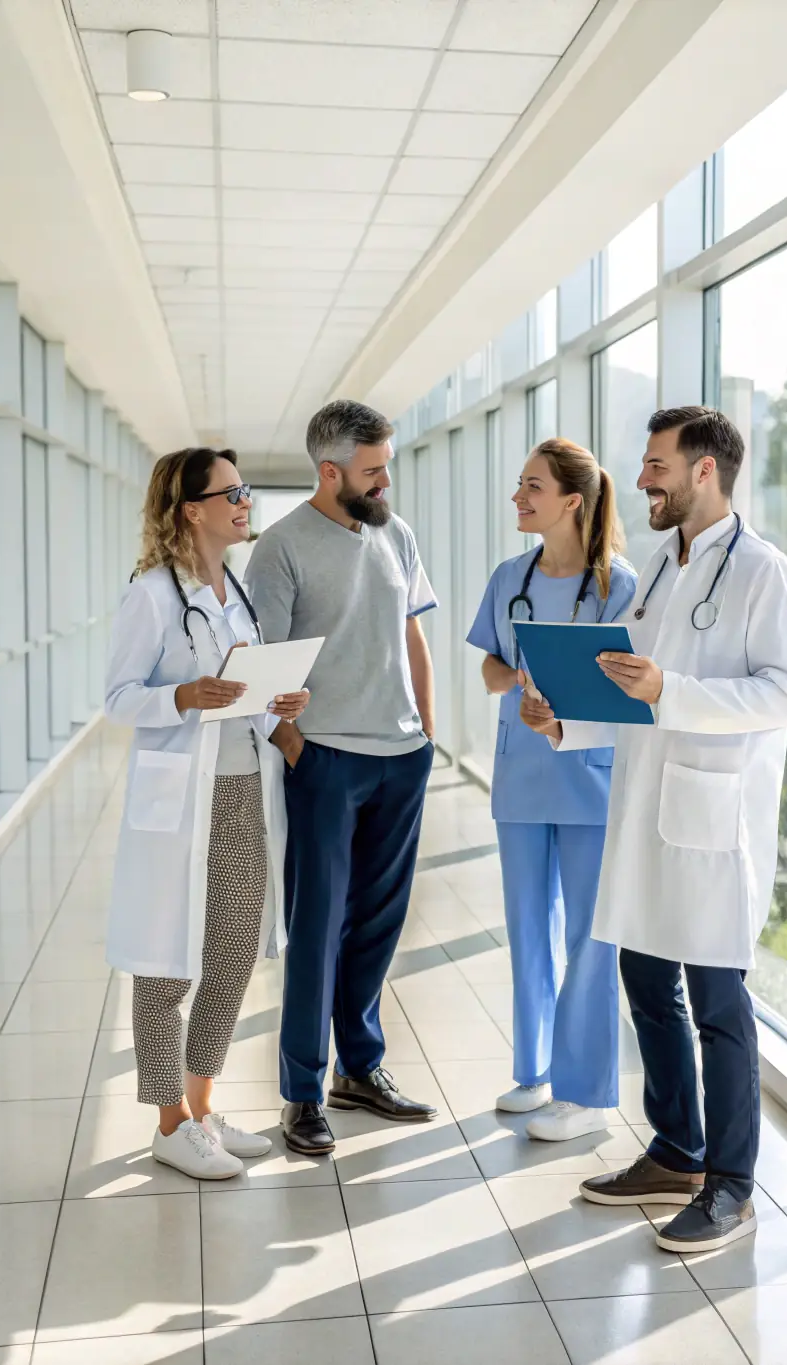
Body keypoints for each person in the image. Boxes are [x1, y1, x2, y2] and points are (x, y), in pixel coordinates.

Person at [521, 407, 787, 1252]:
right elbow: (628, 692)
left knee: (719, 1003)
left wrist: (669, 691)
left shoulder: (763, 571)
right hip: (646, 811)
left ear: (705, 469)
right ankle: (677, 1149)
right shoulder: (657, 565)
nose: (641, 479)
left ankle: (731, 1183)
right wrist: (565, 720)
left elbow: (784, 694)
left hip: (714, 818)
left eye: (656, 466)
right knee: (647, 981)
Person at [104, 448, 310, 1180]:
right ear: (193, 508)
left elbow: (244, 689)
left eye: (244, 491)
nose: (245, 502)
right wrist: (182, 697)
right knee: (164, 968)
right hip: (181, 802)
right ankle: (167, 1125)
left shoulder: (237, 595)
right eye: (233, 492)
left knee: (230, 957)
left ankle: (201, 1108)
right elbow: (118, 696)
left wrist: (278, 702)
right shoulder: (154, 595)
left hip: (244, 789)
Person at [245, 399, 439, 1156]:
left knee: (379, 925)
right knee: (317, 929)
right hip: (326, 760)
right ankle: (301, 1092)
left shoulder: (397, 533)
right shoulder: (281, 550)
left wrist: (428, 733)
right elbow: (263, 670)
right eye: (372, 470)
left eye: (386, 465)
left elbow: (411, 633)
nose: (385, 481)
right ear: (330, 472)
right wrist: (296, 747)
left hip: (400, 757)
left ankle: (361, 1068)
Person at [466, 439, 637, 1142]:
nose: (518, 497)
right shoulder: (511, 576)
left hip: (589, 781)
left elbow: (621, 685)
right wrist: (516, 681)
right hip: (522, 776)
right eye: (518, 484)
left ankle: (585, 1089)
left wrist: (563, 711)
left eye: (531, 486)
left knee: (590, 938)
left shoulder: (618, 586)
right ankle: (533, 1069)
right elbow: (488, 668)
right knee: (528, 930)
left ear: (573, 500)